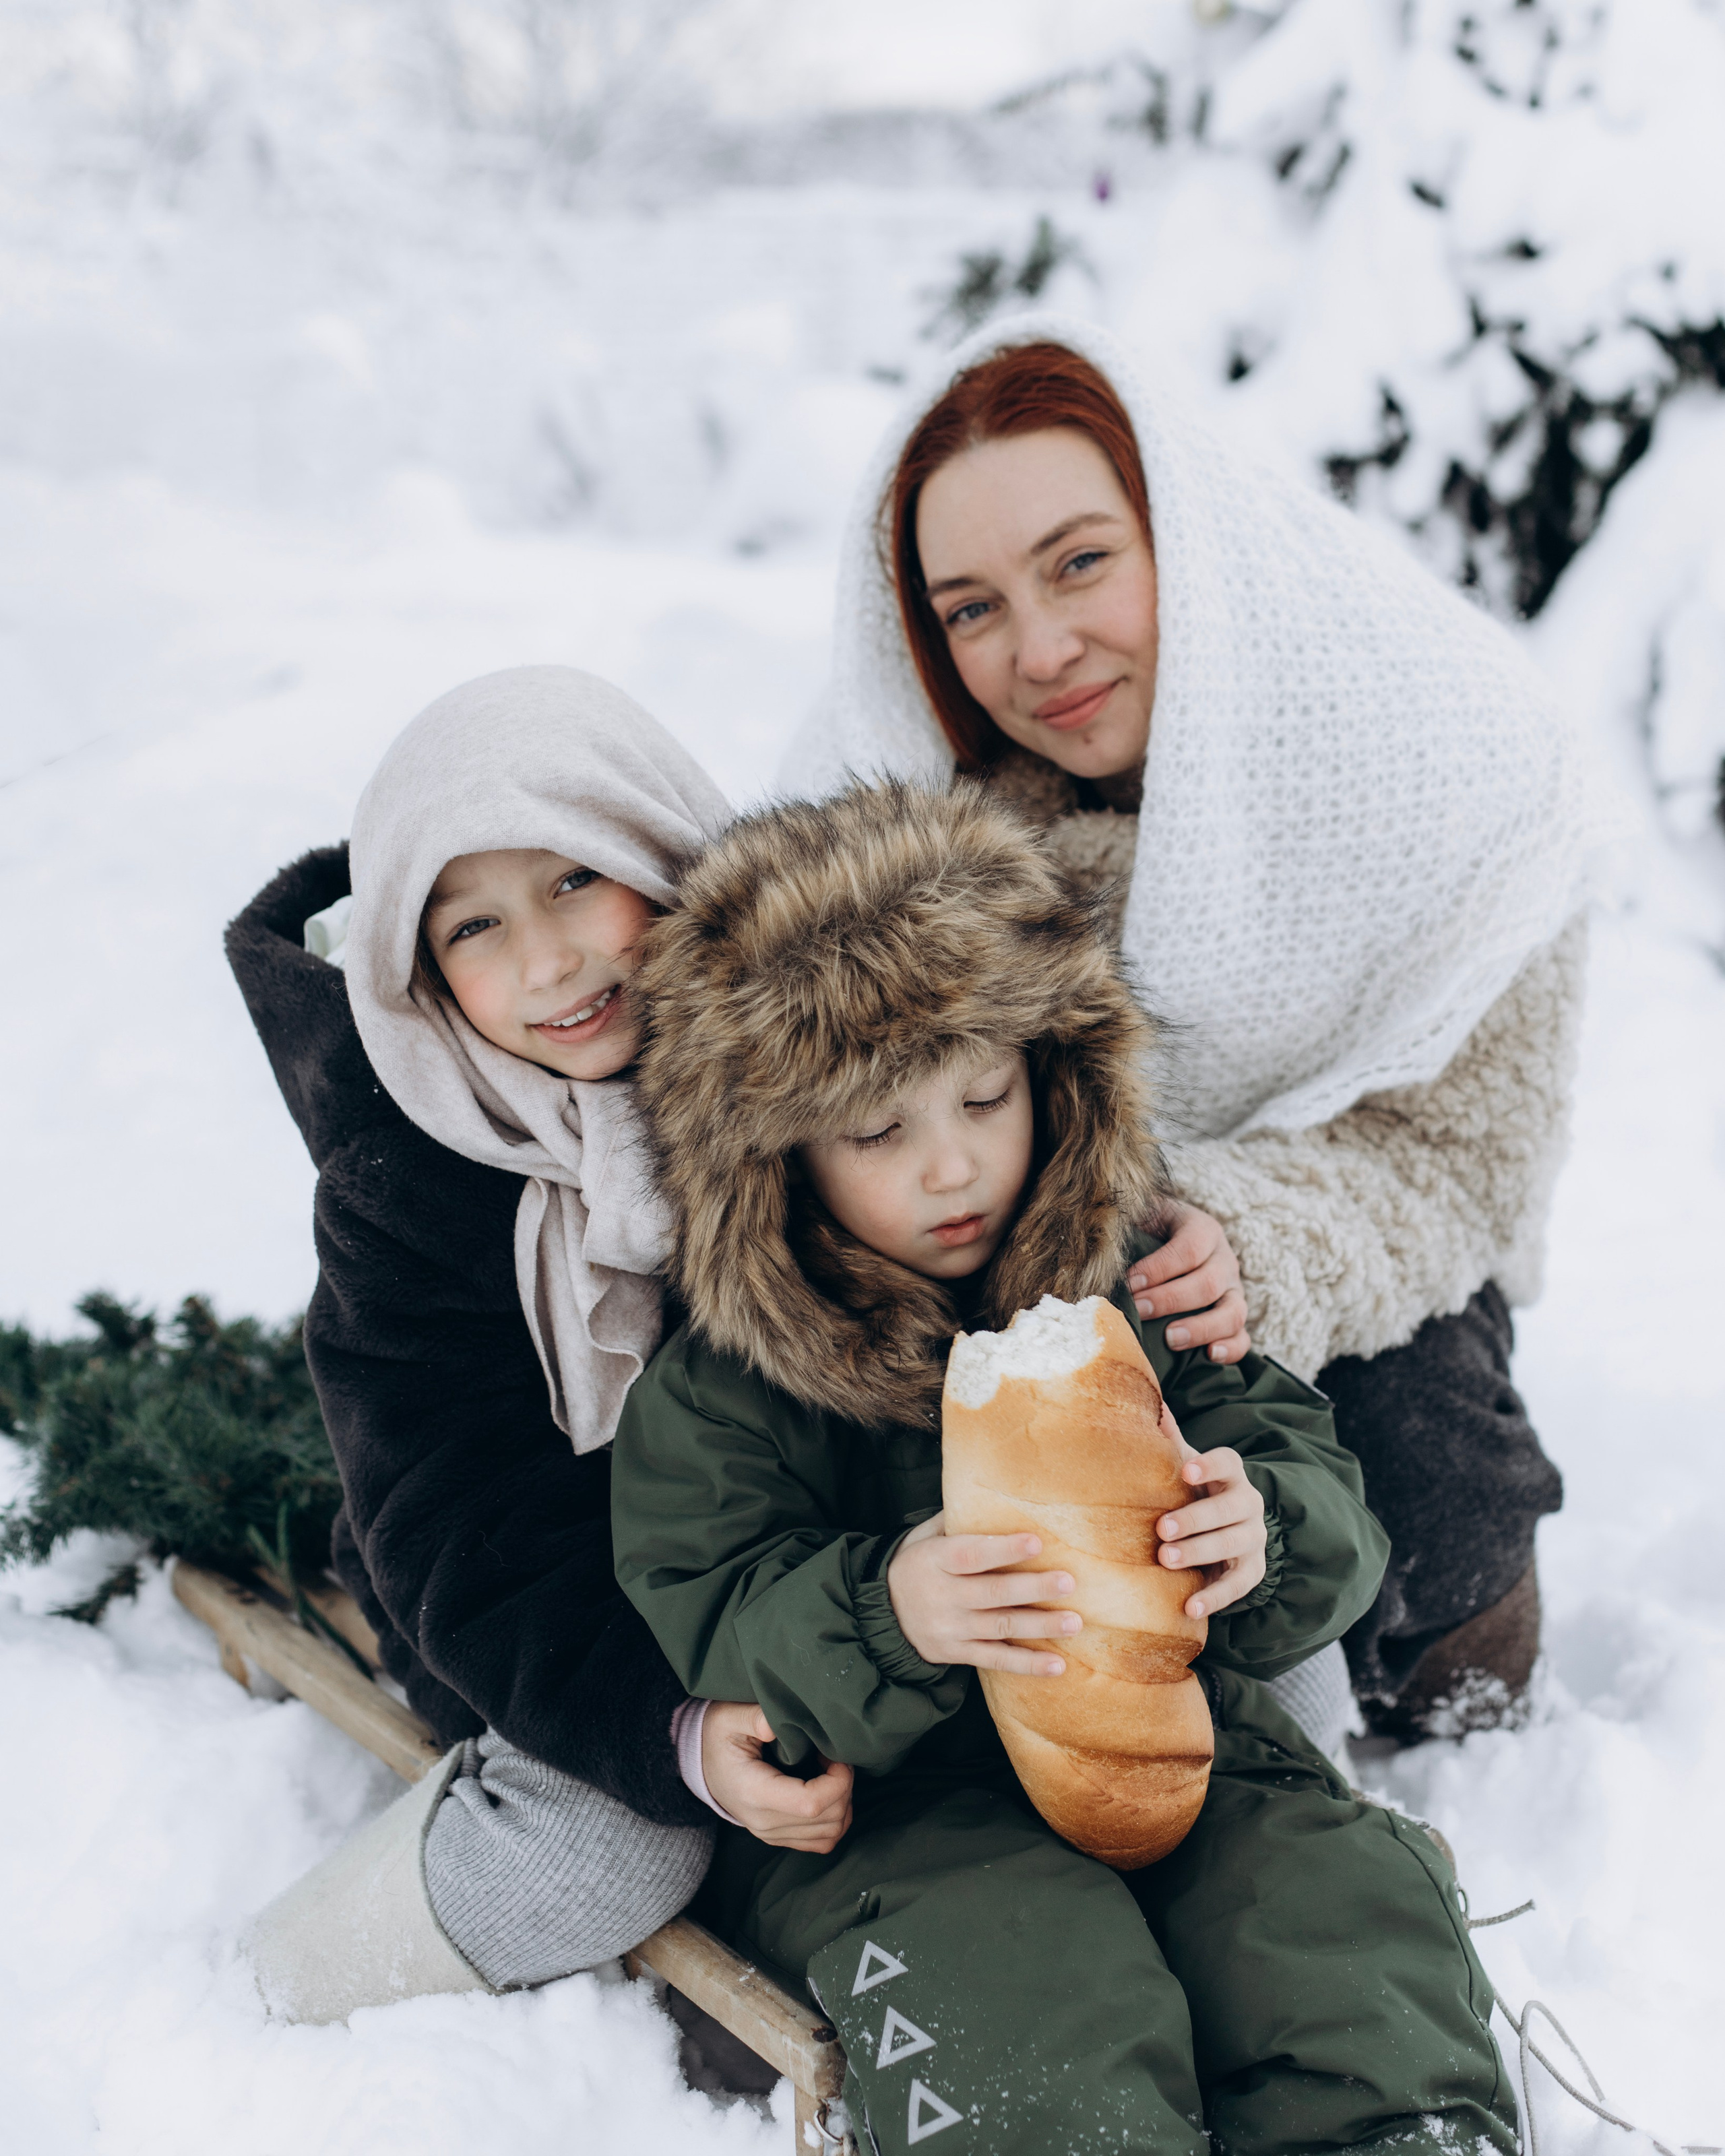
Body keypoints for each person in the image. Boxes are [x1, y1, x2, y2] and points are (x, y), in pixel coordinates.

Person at [610, 780, 1518, 2156]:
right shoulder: (732, 1384)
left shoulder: (1130, 1291)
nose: (951, 1164)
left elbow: (1297, 1460)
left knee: (1331, 1908)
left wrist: (1256, 1523)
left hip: (1187, 1752)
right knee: (1030, 1987)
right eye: (875, 1132)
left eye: (984, 1094)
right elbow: (705, 1600)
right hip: (902, 1824)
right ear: (773, 1161)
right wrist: (881, 1611)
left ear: (1052, 1069)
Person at [780, 316, 1614, 1742]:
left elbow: (1456, 1159)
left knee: (1431, 1503)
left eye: (1080, 562)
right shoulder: (929, 823)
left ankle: (1414, 1657)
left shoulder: (1454, 766)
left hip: (1333, 1237)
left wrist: (1244, 1235)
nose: (1038, 652)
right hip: (999, 1252)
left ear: (1189, 530)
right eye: (968, 607)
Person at [226, 666, 842, 2023]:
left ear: (665, 848)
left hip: (799, 1567)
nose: (549, 963)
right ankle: (285, 1977)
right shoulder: (410, 1184)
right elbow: (459, 1519)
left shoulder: (818, 1050)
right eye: (475, 927)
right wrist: (664, 1732)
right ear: (417, 967)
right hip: (547, 1619)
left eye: (576, 879)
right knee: (616, 1851)